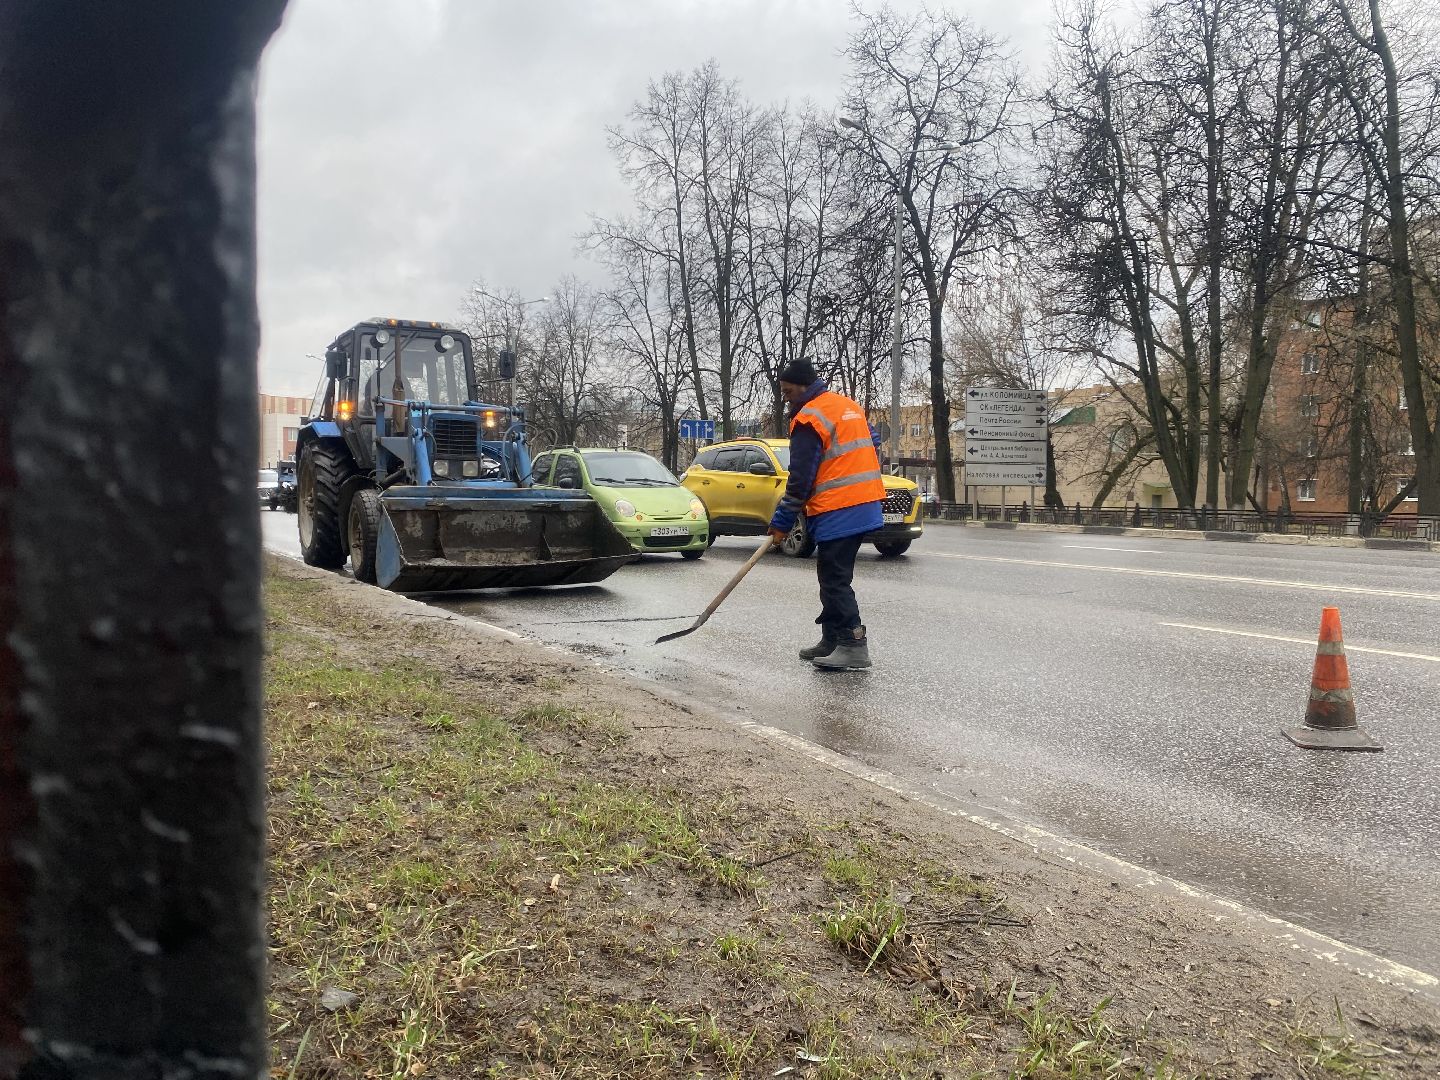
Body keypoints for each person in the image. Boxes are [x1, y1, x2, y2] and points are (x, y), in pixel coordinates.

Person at [768, 358, 885, 670]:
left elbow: (800, 480)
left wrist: (781, 523)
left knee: (834, 578)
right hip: (864, 501)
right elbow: (872, 442)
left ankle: (853, 644)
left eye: (789, 390)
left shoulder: (808, 419)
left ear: (804, 386)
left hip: (840, 506)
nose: (786, 397)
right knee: (830, 573)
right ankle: (831, 639)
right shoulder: (846, 406)